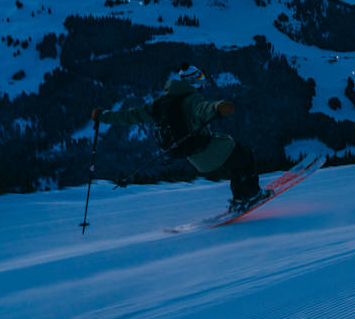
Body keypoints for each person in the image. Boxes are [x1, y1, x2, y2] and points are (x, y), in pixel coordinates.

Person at [90, 63, 267, 211]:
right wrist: (218, 106)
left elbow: (131, 115)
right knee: (244, 156)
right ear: (190, 82)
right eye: (198, 79)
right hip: (208, 149)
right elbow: (204, 108)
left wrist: (104, 115)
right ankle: (251, 195)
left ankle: (240, 199)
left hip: (194, 157)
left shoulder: (161, 104)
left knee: (235, 162)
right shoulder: (193, 98)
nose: (201, 82)